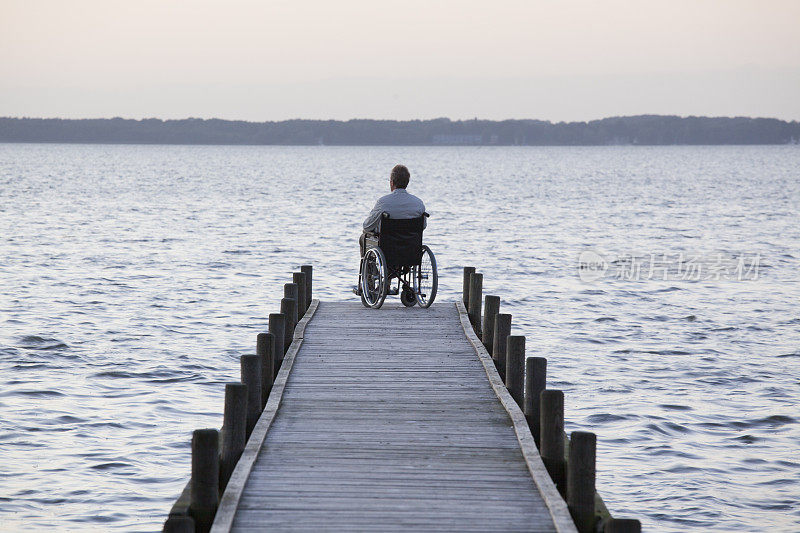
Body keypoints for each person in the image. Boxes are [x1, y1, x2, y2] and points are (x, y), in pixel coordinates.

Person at [359, 164, 426, 257]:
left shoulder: (384, 202)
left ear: (392, 182)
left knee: (364, 237)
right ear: (407, 182)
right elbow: (423, 226)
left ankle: (370, 269)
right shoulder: (418, 203)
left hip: (388, 250)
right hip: (410, 250)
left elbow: (367, 226)